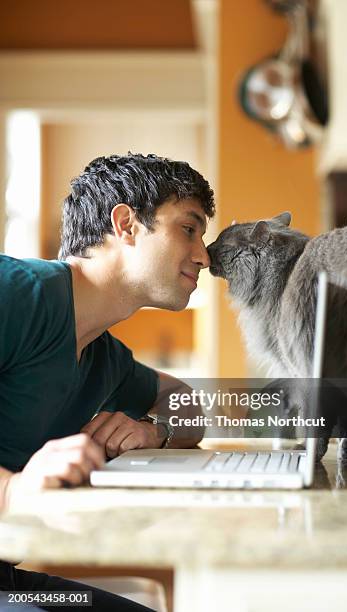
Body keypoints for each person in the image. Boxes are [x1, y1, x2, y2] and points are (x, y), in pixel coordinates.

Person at [0, 153, 215, 610]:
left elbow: (187, 402)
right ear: (126, 224)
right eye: (189, 229)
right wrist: (12, 491)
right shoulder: (15, 293)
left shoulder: (103, 355)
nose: (203, 256)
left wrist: (155, 432)